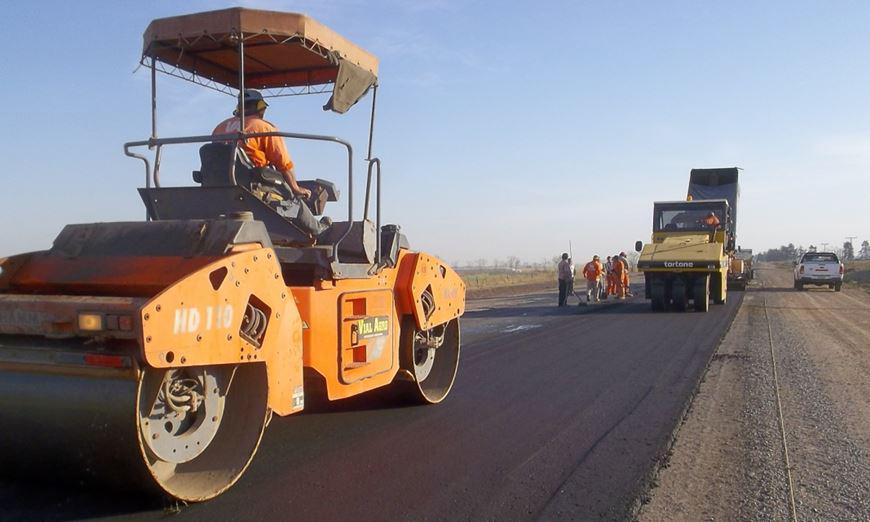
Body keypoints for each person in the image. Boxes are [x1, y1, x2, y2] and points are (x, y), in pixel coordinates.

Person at [213, 90, 312, 200]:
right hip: (251, 184)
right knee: (294, 200)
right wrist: (295, 188)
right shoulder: (264, 128)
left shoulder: (219, 128)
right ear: (261, 107)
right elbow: (283, 163)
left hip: (216, 185)